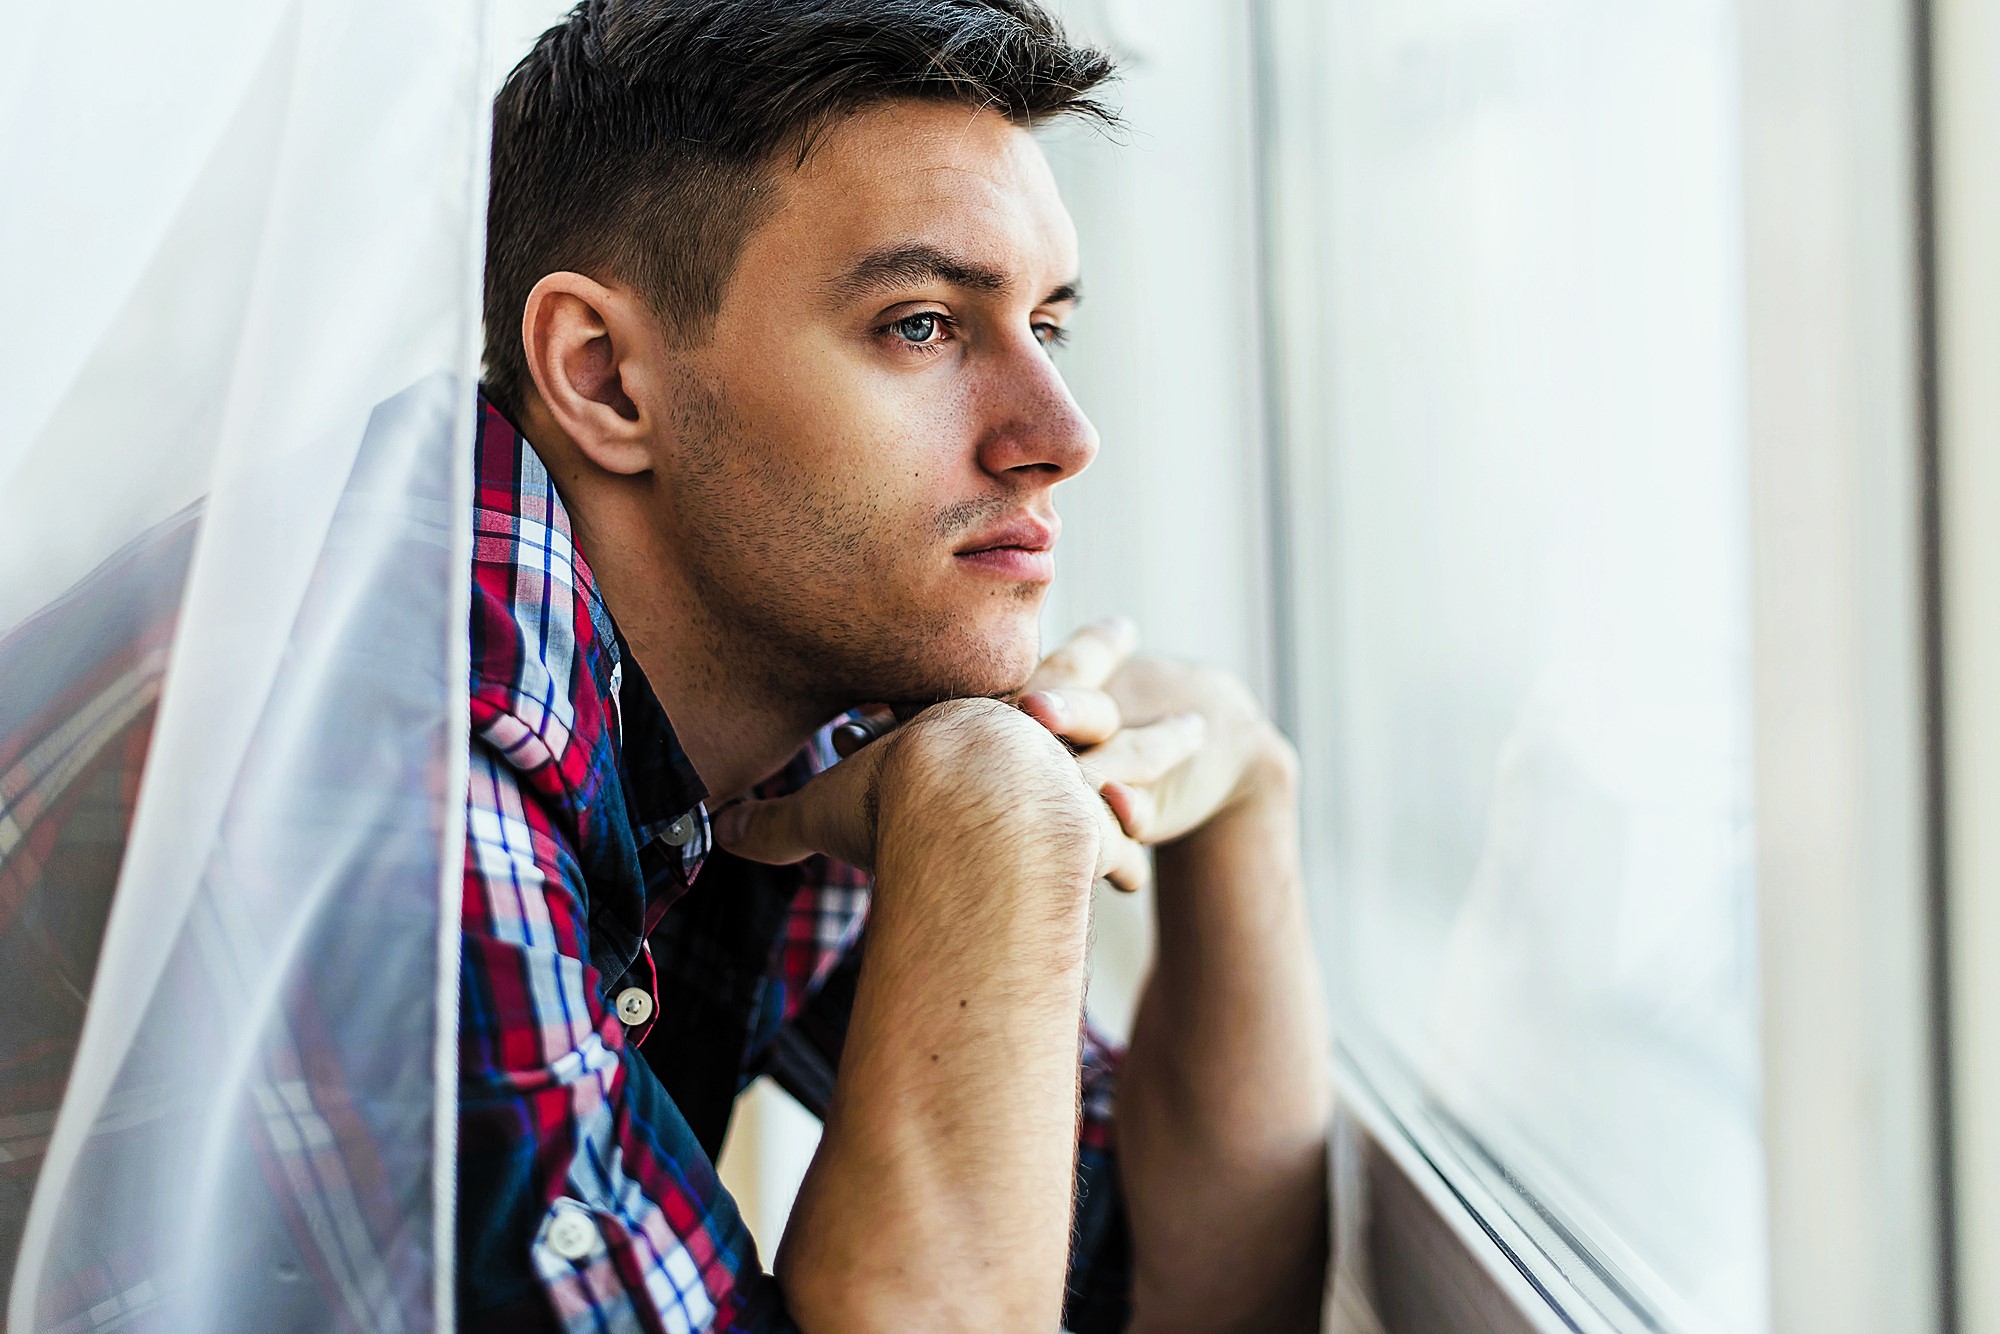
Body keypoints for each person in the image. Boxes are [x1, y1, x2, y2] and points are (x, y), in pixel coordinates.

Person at [462, 0, 1333, 1328]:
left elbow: (1158, 1286)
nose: (1061, 433)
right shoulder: (421, 740)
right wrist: (997, 815)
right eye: (922, 325)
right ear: (604, 377)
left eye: (1050, 324)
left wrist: (1245, 787)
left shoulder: (795, 720)